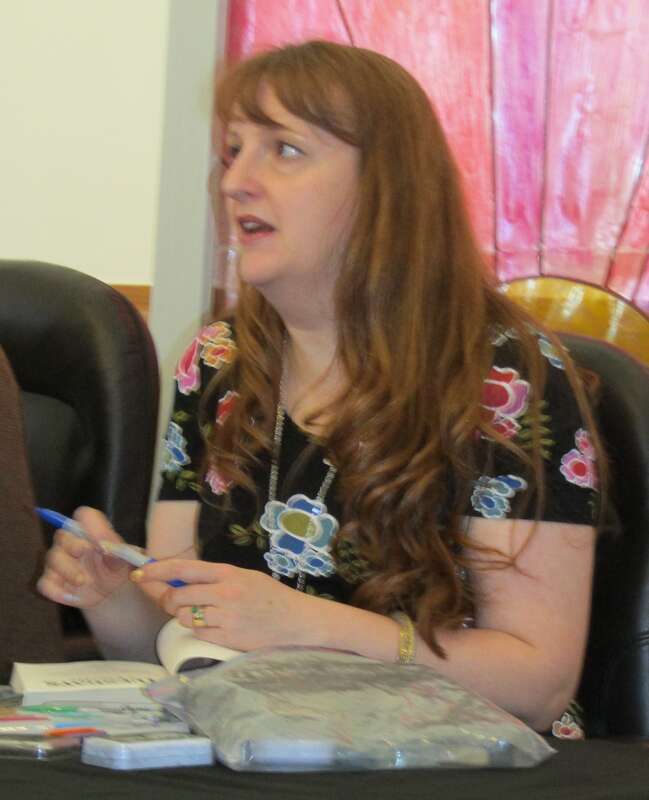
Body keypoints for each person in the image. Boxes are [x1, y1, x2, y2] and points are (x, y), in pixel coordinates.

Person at [37, 40, 602, 735]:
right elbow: (175, 640)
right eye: (232, 151)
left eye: (284, 149)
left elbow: (536, 683)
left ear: (385, 187)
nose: (235, 181)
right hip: (267, 747)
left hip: (460, 764)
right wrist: (111, 596)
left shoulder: (506, 376)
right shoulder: (217, 361)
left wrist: (303, 624)